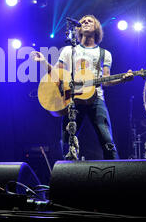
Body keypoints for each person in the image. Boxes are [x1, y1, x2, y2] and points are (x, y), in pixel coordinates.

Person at [31, 15, 133, 160]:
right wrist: (43, 62)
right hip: (71, 99)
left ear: (96, 27)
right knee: (66, 142)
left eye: (89, 21)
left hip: (96, 98)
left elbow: (106, 81)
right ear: (78, 28)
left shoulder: (105, 54)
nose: (85, 22)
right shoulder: (68, 50)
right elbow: (55, 75)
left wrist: (122, 80)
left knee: (107, 141)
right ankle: (68, 175)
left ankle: (115, 177)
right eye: (83, 21)